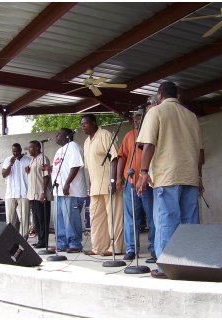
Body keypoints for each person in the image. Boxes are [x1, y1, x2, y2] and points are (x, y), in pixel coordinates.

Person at [136, 81, 204, 279]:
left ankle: (166, 267)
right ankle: (190, 264)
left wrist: (143, 173)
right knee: (190, 222)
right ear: (178, 95)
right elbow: (200, 152)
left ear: (159, 95)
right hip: (190, 175)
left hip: (167, 175)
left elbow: (149, 145)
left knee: (166, 221)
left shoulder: (155, 112)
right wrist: (199, 177)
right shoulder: (191, 116)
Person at [116, 99, 157, 263]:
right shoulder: (129, 135)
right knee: (131, 218)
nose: (136, 119)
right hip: (130, 183)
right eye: (134, 117)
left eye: (139, 117)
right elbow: (121, 158)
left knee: (152, 217)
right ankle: (132, 249)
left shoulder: (152, 133)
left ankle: (155, 249)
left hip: (147, 183)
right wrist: (119, 178)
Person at [81, 114, 124, 256]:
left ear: (93, 123)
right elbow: (89, 168)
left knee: (114, 217)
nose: (83, 127)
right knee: (96, 218)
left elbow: (115, 158)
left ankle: (115, 248)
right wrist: (90, 185)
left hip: (108, 184)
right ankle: (98, 247)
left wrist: (113, 181)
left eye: (85, 124)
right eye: (82, 124)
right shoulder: (86, 142)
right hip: (95, 187)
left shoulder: (105, 135)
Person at [49, 128, 87, 253]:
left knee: (70, 219)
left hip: (72, 191)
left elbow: (75, 166)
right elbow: (60, 167)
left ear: (67, 136)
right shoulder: (60, 150)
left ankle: (75, 244)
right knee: (59, 219)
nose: (56, 136)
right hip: (59, 191)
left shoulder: (73, 146)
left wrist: (67, 183)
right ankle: (61, 243)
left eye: (59, 134)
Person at [26, 140, 52, 249]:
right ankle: (40, 240)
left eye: (31, 148)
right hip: (33, 195)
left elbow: (46, 176)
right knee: (37, 220)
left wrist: (43, 192)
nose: (29, 150)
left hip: (41, 195)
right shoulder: (32, 160)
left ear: (37, 148)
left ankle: (44, 242)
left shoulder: (43, 158)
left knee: (43, 219)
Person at [2, 143, 30, 239]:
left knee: (24, 216)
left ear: (21, 150)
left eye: (18, 151)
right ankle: (11, 237)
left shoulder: (27, 160)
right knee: (10, 218)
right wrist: (10, 164)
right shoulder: (7, 160)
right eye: (14, 151)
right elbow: (4, 174)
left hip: (24, 193)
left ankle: (24, 236)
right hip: (10, 193)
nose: (16, 153)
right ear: (12, 151)